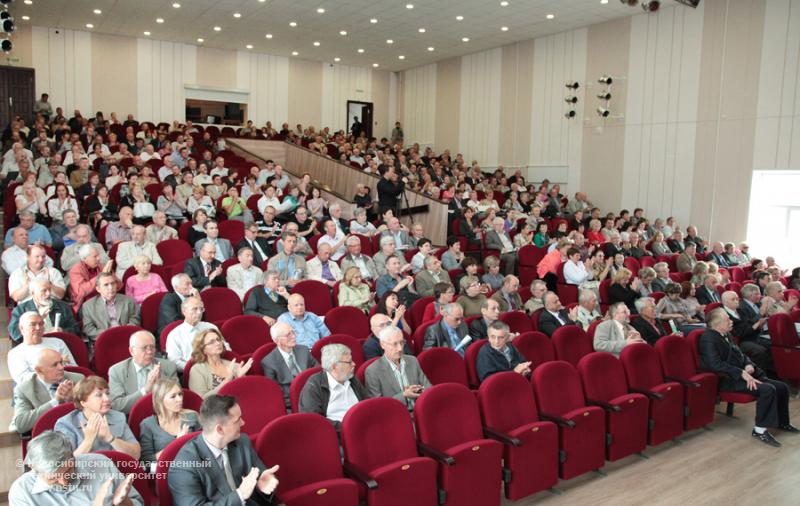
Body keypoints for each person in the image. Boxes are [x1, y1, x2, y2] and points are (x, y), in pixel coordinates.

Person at [699, 308, 796, 447]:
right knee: (767, 390)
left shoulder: (725, 333)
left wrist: (749, 365)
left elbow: (741, 355)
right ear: (717, 324)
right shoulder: (708, 339)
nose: (731, 321)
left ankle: (782, 422)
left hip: (742, 375)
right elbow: (715, 364)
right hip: (728, 380)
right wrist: (740, 372)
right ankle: (759, 430)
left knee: (782, 387)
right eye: (727, 319)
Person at [167, 394, 279, 505]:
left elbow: (261, 482)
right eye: (237, 420)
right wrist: (240, 495)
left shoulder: (242, 442)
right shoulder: (183, 466)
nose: (243, 423)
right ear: (220, 429)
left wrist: (262, 486)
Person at [10, 430, 143, 505]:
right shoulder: (22, 492)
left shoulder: (100, 463)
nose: (64, 481)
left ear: (73, 457)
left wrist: (123, 502)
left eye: (68, 470)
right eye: (54, 478)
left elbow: (139, 504)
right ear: (34, 469)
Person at [54, 376, 141, 458]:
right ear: (83, 402)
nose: (107, 399)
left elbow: (136, 454)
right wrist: (88, 440)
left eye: (107, 393)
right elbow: (65, 466)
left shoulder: (118, 417)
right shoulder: (66, 424)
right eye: (99, 395)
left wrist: (111, 438)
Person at [11, 348, 84, 434]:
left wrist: (73, 400)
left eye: (61, 362)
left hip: (80, 431)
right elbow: (21, 424)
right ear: (38, 370)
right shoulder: (24, 390)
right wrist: (55, 401)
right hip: (48, 437)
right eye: (54, 365)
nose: (61, 367)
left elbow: (97, 409)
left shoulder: (78, 379)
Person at [299, 343, 368, 430]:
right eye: (349, 362)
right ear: (334, 366)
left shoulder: (352, 378)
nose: (354, 364)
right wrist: (346, 427)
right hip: (335, 435)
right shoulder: (314, 386)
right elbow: (314, 421)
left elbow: (366, 404)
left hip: (363, 428)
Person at [108, 330, 178, 414]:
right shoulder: (117, 371)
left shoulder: (168, 367)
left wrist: (160, 385)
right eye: (144, 348)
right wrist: (145, 390)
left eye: (152, 347)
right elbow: (117, 406)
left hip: (163, 415)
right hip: (132, 418)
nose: (149, 352)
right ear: (132, 351)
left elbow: (177, 398)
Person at [139, 378, 201, 472]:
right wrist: (177, 443)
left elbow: (204, 446)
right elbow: (147, 460)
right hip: (167, 471)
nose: (179, 399)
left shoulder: (192, 416)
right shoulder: (148, 425)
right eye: (173, 396)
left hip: (195, 467)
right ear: (160, 400)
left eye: (180, 394)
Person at [365, 325, 431, 411]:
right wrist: (404, 395)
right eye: (394, 344)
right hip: (395, 415)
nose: (400, 348)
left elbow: (428, 387)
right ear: (382, 345)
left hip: (420, 409)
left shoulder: (412, 361)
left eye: (402, 342)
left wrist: (421, 391)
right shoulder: (373, 371)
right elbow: (378, 405)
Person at [8, 312, 76, 385]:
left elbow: (73, 368)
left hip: (65, 385)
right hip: (37, 391)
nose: (38, 328)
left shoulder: (58, 342)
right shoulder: (15, 353)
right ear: (22, 328)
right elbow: (24, 380)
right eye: (33, 324)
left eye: (41, 324)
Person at [261, 322, 317, 407]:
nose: (294, 336)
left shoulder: (304, 350)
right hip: (292, 402)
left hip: (314, 393)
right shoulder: (269, 362)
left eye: (293, 332)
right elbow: (275, 393)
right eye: (288, 335)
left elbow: (318, 370)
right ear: (277, 341)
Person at [81, 272, 141, 351]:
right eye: (106, 285)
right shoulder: (88, 306)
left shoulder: (128, 300)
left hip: (127, 338)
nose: (111, 287)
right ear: (98, 289)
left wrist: (123, 333)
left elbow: (135, 320)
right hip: (104, 341)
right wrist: (109, 335)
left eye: (113, 283)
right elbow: (88, 329)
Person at [8, 279, 80, 343]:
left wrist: (62, 331)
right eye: (44, 290)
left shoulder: (63, 306)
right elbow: (15, 334)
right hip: (34, 346)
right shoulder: (21, 310)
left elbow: (76, 329)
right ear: (32, 293)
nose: (48, 294)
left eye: (49, 290)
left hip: (58, 343)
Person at [189, 329, 253, 398]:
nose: (218, 343)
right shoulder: (197, 370)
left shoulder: (235, 365)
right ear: (203, 349)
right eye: (211, 342)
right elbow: (201, 400)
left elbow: (246, 393)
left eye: (218, 339)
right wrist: (227, 380)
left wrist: (241, 379)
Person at [722, 290, 774, 374]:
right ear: (725, 302)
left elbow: (748, 323)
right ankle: (759, 374)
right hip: (740, 341)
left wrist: (758, 325)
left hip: (752, 336)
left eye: (737, 298)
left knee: (772, 344)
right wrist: (756, 325)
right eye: (733, 299)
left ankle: (772, 372)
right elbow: (737, 333)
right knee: (760, 351)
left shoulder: (739, 310)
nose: (736, 301)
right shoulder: (724, 314)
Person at [166, 297, 221, 369]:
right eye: (195, 309)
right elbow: (174, 362)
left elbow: (225, 346)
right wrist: (195, 369)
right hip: (192, 372)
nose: (199, 312)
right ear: (184, 311)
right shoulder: (174, 335)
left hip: (217, 366)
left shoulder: (210, 327)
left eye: (201, 309)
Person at [68, 244, 118, 309]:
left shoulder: (101, 266)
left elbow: (118, 286)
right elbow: (81, 292)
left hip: (105, 299)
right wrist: (102, 275)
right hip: (84, 303)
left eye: (98, 255)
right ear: (84, 258)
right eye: (95, 256)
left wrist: (111, 274)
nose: (99, 258)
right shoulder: (75, 270)